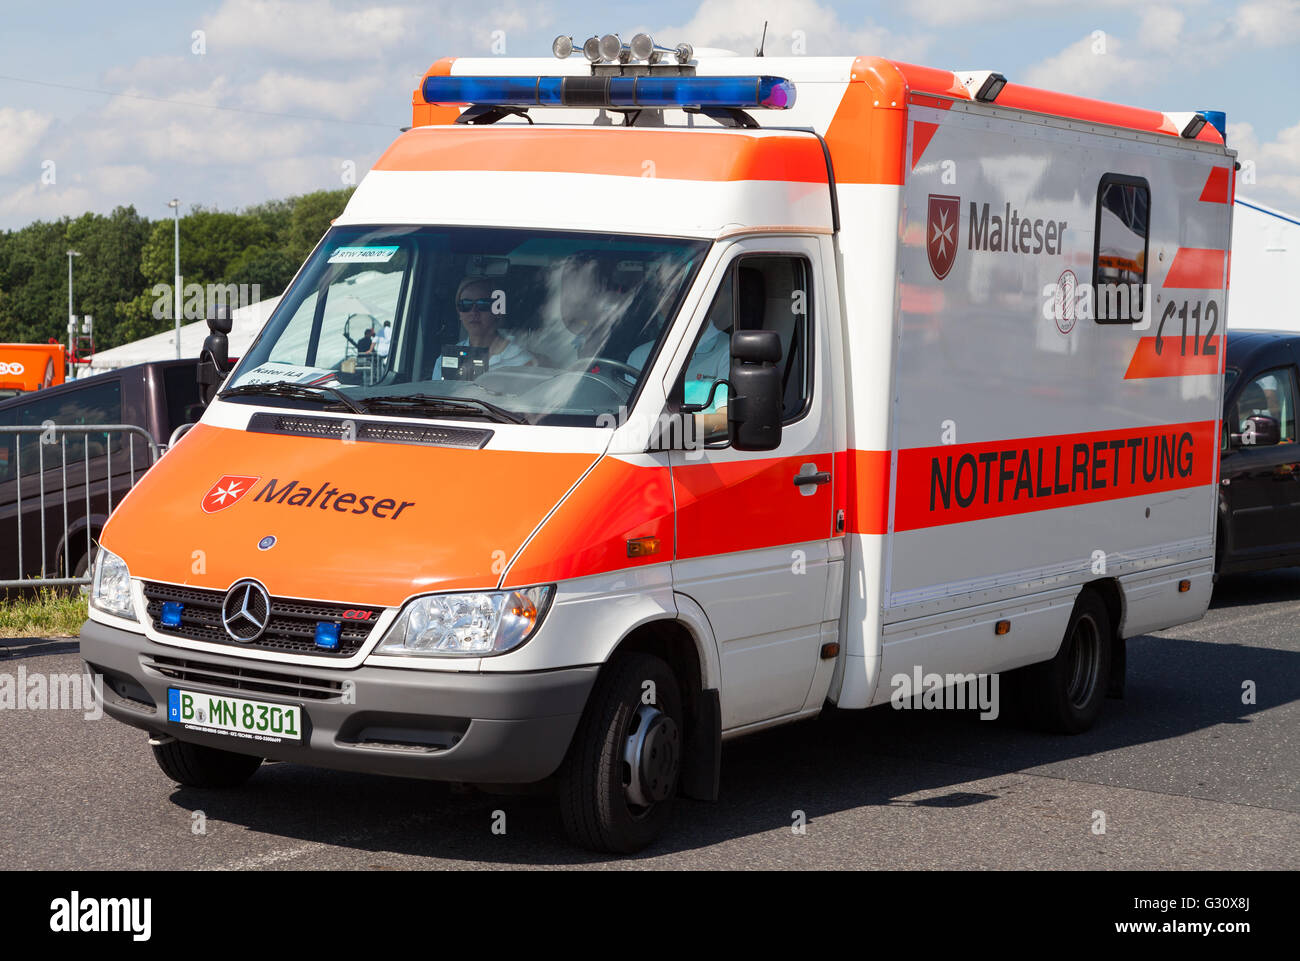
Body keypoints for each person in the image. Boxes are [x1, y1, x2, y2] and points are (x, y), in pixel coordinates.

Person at [432, 277, 535, 379]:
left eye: (483, 304)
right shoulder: (445, 361)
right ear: (459, 313)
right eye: (465, 305)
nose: (473, 312)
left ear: (498, 310)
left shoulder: (521, 361)